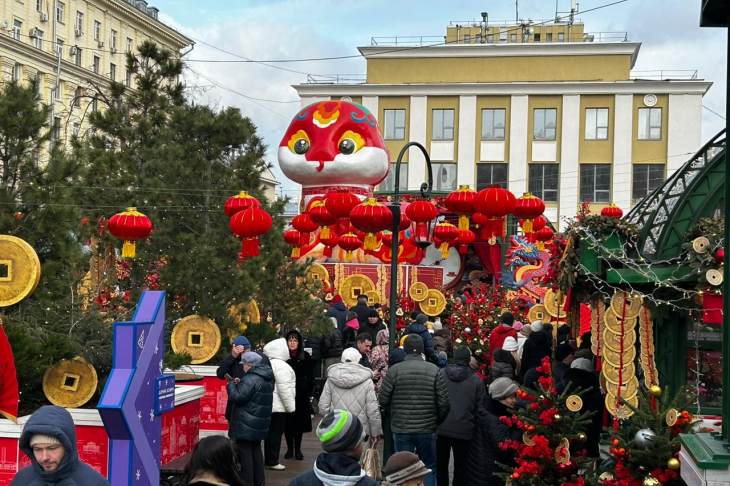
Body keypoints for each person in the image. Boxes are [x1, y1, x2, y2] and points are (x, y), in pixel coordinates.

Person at [379, 334, 450, 486]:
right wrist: (437, 420)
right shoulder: (434, 370)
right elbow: (443, 402)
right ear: (422, 350)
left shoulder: (395, 370)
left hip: (401, 426)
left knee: (402, 468)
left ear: (405, 350)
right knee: (428, 467)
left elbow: (383, 398)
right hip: (427, 427)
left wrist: (393, 414)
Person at [12, 405, 109, 485]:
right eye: (37, 449)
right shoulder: (21, 480)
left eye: (52, 448)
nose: (44, 457)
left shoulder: (94, 483)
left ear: (67, 446)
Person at [436, 346, 484, 486]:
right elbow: (479, 408)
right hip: (464, 430)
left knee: (441, 466)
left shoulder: (441, 374)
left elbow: (436, 399)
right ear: (469, 360)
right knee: (461, 468)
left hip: (442, 428)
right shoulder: (476, 381)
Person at [289, 410, 376, 486]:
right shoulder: (370, 484)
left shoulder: (299, 482)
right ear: (354, 446)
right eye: (362, 439)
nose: (363, 444)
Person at [226, 352, 273, 486]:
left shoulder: (250, 378)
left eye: (244, 365)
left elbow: (238, 397)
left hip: (246, 425)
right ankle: (259, 482)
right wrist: (240, 383)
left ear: (249, 364)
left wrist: (230, 385)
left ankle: (247, 483)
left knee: (245, 456)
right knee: (256, 453)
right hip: (258, 424)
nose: (243, 368)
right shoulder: (265, 377)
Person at [318, 348, 383, 441]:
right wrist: (375, 433)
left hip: (337, 429)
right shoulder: (367, 381)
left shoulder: (331, 379)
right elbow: (372, 411)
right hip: (360, 431)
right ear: (358, 360)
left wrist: (330, 421)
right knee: (359, 455)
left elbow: (323, 408)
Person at [263, 337, 296, 471]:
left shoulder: (267, 363)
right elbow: (284, 389)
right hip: (278, 407)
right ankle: (272, 461)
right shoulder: (282, 366)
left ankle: (268, 459)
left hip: (267, 405)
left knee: (268, 435)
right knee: (275, 435)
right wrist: (291, 407)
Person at [284, 330, 315, 461]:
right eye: (290, 340)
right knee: (287, 423)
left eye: (295, 340)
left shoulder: (305, 356)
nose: (292, 343)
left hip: (301, 395)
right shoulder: (283, 356)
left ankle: (298, 449)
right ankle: (289, 449)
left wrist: (308, 390)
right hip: (286, 393)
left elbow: (310, 376)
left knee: (299, 424)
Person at [563, 358, 603, 458]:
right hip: (589, 439)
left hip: (565, 438)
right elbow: (598, 418)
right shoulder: (594, 391)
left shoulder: (563, 387)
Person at [216, 335, 252, 423]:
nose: (245, 354)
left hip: (249, 406)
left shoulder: (253, 360)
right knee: (233, 434)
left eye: (247, 351)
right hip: (234, 406)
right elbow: (220, 374)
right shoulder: (233, 361)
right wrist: (232, 356)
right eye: (243, 352)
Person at [370, 328, 390, 393]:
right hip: (388, 376)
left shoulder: (376, 349)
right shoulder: (391, 347)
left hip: (378, 376)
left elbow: (372, 362)